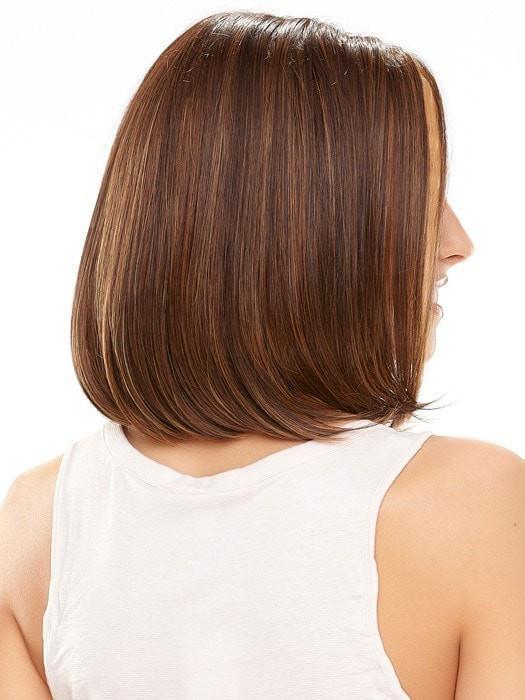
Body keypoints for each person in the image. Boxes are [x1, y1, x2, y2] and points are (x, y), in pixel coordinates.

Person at [1, 10, 523, 699]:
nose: (457, 242)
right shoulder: (473, 503)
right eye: (417, 195)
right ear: (309, 226)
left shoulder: (34, 522)